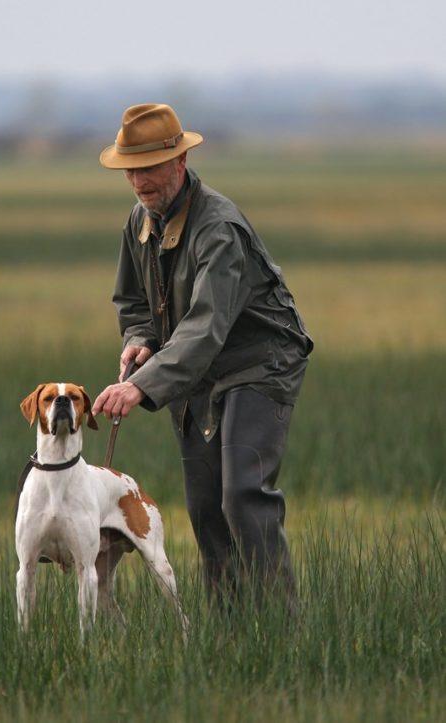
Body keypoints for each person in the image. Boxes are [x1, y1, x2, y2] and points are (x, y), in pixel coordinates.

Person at [92, 103, 313, 609]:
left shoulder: (219, 228)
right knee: (206, 508)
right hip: (193, 372)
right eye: (131, 169)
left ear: (179, 163)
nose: (139, 180)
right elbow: (133, 302)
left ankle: (280, 633)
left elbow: (206, 326)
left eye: (149, 167)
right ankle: (232, 641)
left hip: (260, 362)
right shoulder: (139, 221)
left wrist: (141, 385)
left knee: (242, 496)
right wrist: (139, 339)